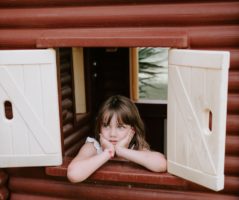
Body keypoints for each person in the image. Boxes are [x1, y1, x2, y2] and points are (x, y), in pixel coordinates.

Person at [67, 95, 167, 183]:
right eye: (106, 126)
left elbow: (162, 164)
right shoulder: (93, 146)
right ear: (99, 128)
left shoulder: (135, 147)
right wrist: (108, 152)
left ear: (132, 130)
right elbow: (73, 174)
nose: (112, 134)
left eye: (120, 127)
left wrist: (121, 151)